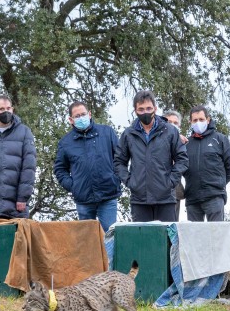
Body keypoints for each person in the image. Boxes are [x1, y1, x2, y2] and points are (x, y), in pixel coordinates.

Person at [114, 90, 188, 222]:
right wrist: (130, 182)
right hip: (139, 200)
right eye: (141, 109)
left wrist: (171, 181)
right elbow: (119, 161)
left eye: (149, 108)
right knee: (143, 241)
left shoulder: (170, 131)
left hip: (166, 198)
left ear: (155, 108)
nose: (145, 112)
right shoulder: (128, 134)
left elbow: (182, 159)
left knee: (167, 240)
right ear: (135, 110)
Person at [54, 101, 122, 232]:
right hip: (83, 200)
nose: (81, 118)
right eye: (77, 116)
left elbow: (120, 159)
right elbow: (60, 169)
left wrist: (116, 178)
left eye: (83, 114)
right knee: (86, 241)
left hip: (108, 195)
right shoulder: (65, 143)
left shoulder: (107, 133)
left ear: (89, 114)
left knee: (110, 237)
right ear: (71, 120)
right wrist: (73, 186)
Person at [183, 105, 230, 221]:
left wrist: (219, 182)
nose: (198, 122)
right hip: (192, 198)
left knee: (217, 235)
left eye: (201, 119)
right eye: (195, 120)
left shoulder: (220, 139)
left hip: (214, 197)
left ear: (208, 120)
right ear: (190, 122)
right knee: (194, 237)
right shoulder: (186, 144)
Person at [164, 110, 188, 220]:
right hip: (156, 189)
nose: (172, 125)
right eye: (169, 122)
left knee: (173, 224)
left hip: (175, 189)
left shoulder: (183, 143)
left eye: (175, 123)